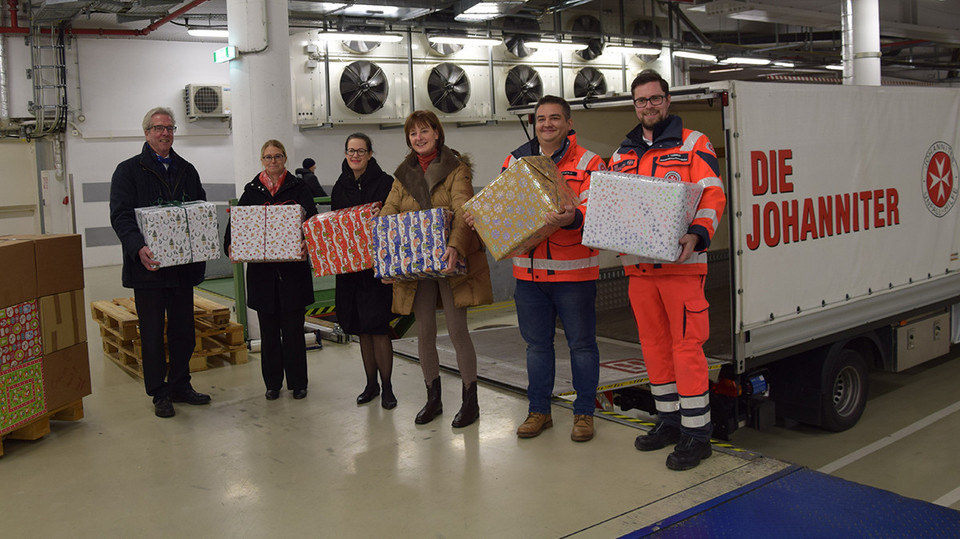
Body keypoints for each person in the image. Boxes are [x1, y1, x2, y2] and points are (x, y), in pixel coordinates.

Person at [609, 69, 726, 471]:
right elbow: (615, 205)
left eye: (655, 98)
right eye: (641, 100)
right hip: (639, 271)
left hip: (681, 268)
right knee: (654, 348)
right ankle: (670, 422)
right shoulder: (622, 154)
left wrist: (698, 233)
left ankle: (698, 435)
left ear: (667, 99)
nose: (649, 106)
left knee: (685, 348)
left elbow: (713, 195)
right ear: (635, 105)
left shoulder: (694, 144)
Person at [497, 95, 606, 442]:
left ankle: (584, 413)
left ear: (569, 123)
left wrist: (574, 217)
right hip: (528, 276)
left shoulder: (591, 163)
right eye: (541, 118)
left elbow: (598, 215)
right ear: (534, 123)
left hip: (574, 274)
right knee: (536, 347)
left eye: (555, 118)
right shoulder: (515, 161)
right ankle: (538, 411)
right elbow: (505, 208)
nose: (547, 124)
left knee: (582, 346)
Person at [381, 110, 493, 428]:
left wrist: (455, 246)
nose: (419, 137)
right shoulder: (403, 174)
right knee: (424, 332)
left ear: (437, 133)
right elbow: (390, 210)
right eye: (413, 133)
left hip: (450, 259)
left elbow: (462, 208)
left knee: (458, 332)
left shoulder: (456, 169)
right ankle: (433, 398)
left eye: (424, 131)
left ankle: (470, 401)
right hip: (417, 263)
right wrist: (386, 254)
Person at [109, 106, 212, 418]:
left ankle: (181, 384)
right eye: (158, 128)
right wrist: (137, 246)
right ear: (147, 133)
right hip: (149, 270)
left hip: (181, 270)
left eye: (169, 128)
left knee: (183, 332)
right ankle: (159, 393)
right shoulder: (128, 171)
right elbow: (121, 215)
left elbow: (198, 210)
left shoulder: (187, 169)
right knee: (153, 334)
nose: (165, 133)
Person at [225, 140, 318, 401]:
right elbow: (234, 228)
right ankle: (273, 384)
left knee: (293, 332)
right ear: (262, 160)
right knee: (268, 333)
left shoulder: (299, 188)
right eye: (267, 157)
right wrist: (231, 246)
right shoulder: (251, 192)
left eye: (277, 156)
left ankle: (298, 383)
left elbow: (312, 224)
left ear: (285, 158)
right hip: (263, 277)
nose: (273, 161)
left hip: (292, 275)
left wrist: (307, 244)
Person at [331, 133, 397, 409]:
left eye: (361, 151)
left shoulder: (386, 183)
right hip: (350, 271)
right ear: (345, 154)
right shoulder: (339, 185)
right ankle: (371, 384)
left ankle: (388, 387)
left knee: (379, 328)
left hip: (377, 269)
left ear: (370, 154)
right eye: (351, 151)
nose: (355, 155)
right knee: (361, 330)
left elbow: (393, 225)